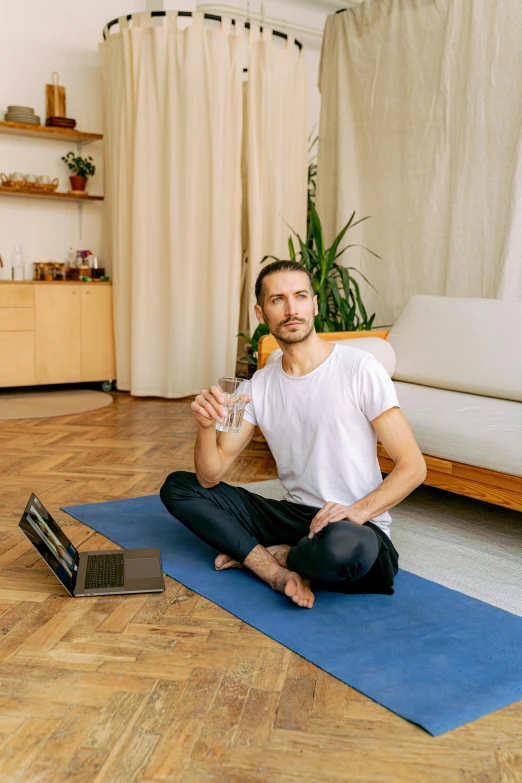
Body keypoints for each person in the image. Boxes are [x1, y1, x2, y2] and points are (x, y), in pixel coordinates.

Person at [161, 260, 427, 609]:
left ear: (314, 304)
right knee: (179, 488)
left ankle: (278, 556)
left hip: (351, 525)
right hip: (293, 516)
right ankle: (272, 569)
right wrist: (205, 428)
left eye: (300, 296)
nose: (291, 309)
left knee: (344, 548)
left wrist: (357, 512)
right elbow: (210, 477)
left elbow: (413, 467)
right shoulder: (259, 386)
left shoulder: (359, 369)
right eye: (277, 300)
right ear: (261, 313)